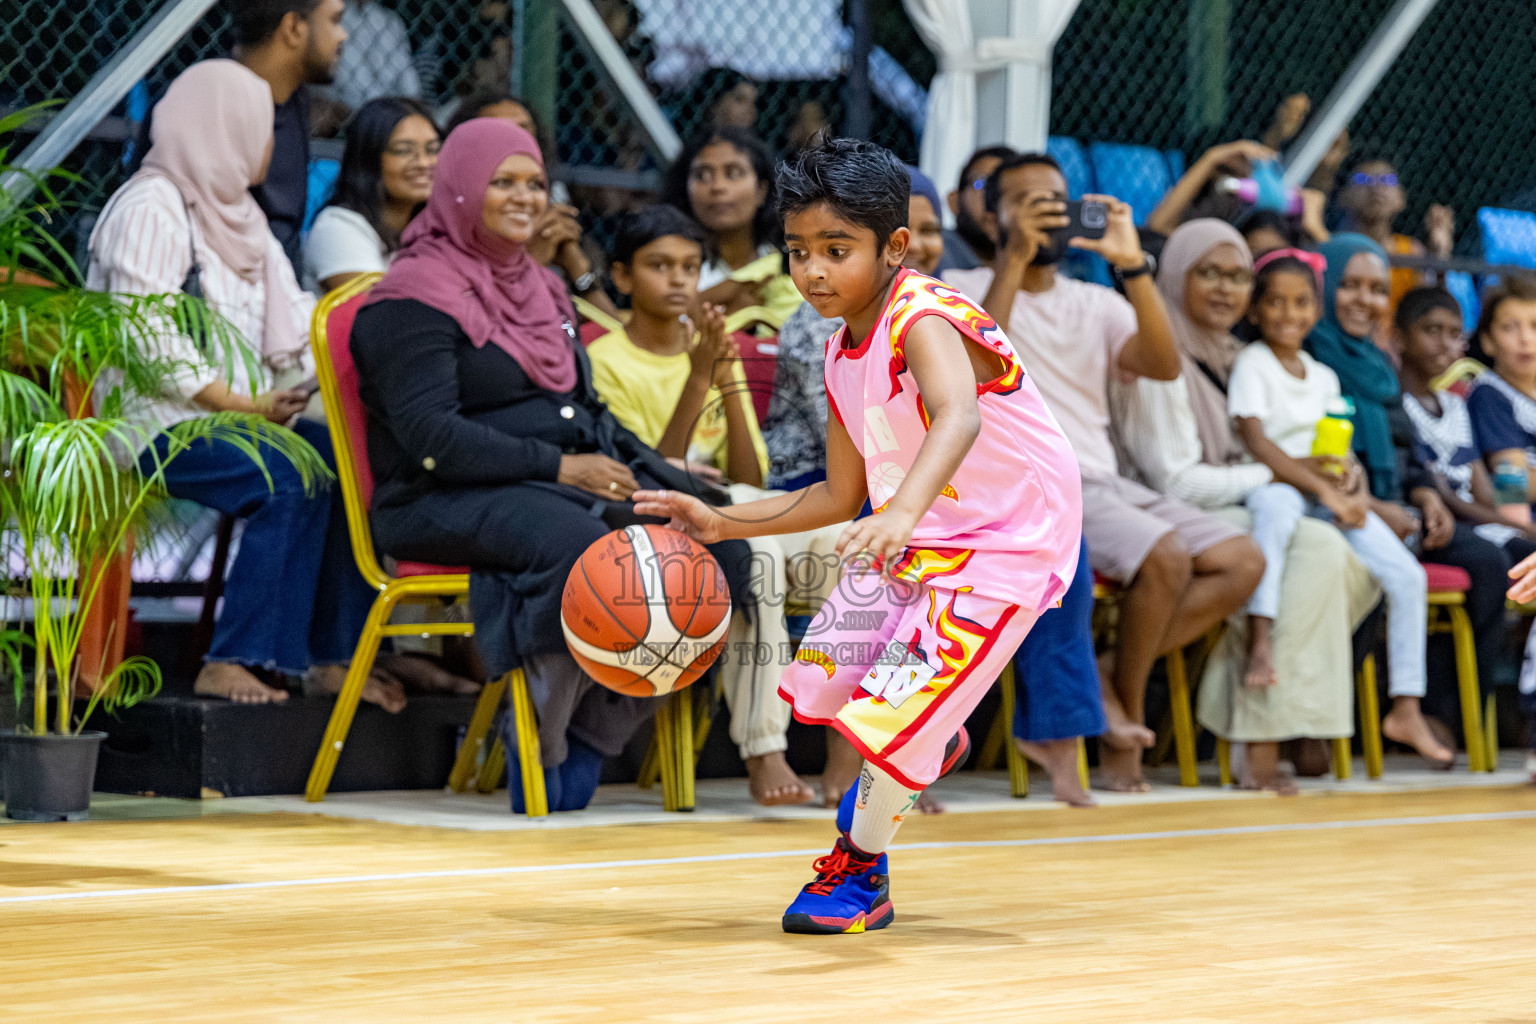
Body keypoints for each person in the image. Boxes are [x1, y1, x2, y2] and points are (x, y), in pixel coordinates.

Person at [633, 136, 1082, 934]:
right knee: (838, 688)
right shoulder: (843, 351)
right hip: (927, 530)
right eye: (799, 251)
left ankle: (859, 870)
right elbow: (841, 494)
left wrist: (900, 513)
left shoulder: (924, 315)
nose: (812, 271)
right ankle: (929, 736)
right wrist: (719, 519)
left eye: (836, 251)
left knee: (893, 718)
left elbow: (959, 414)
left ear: (895, 248)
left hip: (1010, 540)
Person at [349, 118, 738, 812]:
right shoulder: (411, 297)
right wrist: (561, 470)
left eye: (534, 183)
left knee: (715, 540)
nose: (526, 197)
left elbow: (586, 411)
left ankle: (596, 733)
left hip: (548, 485)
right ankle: (542, 736)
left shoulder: (544, 289)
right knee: (592, 554)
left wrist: (664, 477)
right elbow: (431, 437)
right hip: (441, 496)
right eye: (504, 182)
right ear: (462, 189)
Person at [947, 153, 1264, 792]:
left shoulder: (1096, 300)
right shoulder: (957, 286)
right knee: (1168, 556)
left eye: (1055, 199)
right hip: (1025, 485)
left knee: (1243, 561)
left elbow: (1163, 363)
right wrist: (1011, 258)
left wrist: (1131, 265)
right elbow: (977, 368)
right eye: (1025, 199)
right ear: (991, 213)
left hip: (1101, 480)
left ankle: (1105, 681)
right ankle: (1123, 716)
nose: (1047, 211)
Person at [86, 60, 384, 709]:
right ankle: (235, 658)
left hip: (232, 419)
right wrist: (242, 404)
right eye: (260, 126)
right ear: (222, 126)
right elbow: (145, 337)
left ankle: (331, 657)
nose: (271, 143)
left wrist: (368, 334)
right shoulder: (150, 206)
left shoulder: (241, 217)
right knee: (288, 474)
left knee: (349, 463)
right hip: (148, 424)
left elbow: (296, 329)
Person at [1111, 220, 1379, 793]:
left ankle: (1291, 714)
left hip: (1241, 497)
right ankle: (1263, 734)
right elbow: (1177, 483)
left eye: (1237, 277)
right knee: (1314, 553)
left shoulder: (1240, 354)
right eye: (1209, 273)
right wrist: (1294, 476)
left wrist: (1332, 472)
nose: (1226, 289)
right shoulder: (1160, 354)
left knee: (1349, 560)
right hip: (1162, 506)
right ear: (1178, 275)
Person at [589, 205, 842, 806]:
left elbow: (750, 474)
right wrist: (700, 377)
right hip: (658, 515)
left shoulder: (711, 345)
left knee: (849, 548)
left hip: (735, 500)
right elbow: (646, 475)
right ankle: (763, 747)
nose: (679, 280)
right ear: (621, 277)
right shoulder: (606, 360)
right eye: (659, 266)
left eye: (689, 267)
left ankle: (851, 747)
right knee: (755, 557)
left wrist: (725, 377)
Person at [1229, 250, 1451, 768]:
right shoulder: (1252, 364)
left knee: (1406, 575)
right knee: (1275, 515)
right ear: (1256, 311)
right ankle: (1261, 641)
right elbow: (1260, 445)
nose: (1289, 314)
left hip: (1325, 491)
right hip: (1278, 484)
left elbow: (1338, 444)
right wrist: (1328, 493)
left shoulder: (1322, 374)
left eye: (1302, 303)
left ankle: (1405, 705)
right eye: (1276, 303)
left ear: (1315, 311)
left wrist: (1351, 485)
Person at [1398, 285, 1533, 700]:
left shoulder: (1454, 406)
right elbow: (1510, 480)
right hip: (1495, 522)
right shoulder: (1491, 396)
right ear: (1488, 341)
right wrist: (1521, 526)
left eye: (1534, 326)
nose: (1526, 338)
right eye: (1511, 328)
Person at [450, 88, 617, 318]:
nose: (516, 142)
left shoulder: (545, 212)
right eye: (500, 133)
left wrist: (577, 268)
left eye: (524, 131)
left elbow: (612, 338)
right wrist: (532, 261)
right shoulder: (448, 232)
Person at [229, 0, 349, 271]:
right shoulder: (209, 105)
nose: (344, 35)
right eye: (335, 20)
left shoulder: (293, 98)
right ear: (293, 28)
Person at [303, 97, 439, 293]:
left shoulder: (432, 226)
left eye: (432, 149)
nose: (424, 163)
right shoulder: (338, 227)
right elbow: (377, 317)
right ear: (369, 159)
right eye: (403, 151)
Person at [661, 125, 798, 319]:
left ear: (761, 190)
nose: (717, 186)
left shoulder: (789, 266)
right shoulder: (668, 270)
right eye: (703, 175)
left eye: (733, 174)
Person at [1333, 157, 1456, 326]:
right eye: (1362, 179)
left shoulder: (1409, 250)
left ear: (1401, 198)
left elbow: (1428, 313)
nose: (1376, 188)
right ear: (1344, 196)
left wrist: (1439, 255)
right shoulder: (1334, 249)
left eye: (1387, 180)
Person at [325, 0, 421, 113]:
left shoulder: (388, 19)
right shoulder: (332, 22)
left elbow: (410, 86)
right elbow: (357, 95)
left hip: (396, 111)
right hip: (361, 114)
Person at [935, 145, 1015, 276]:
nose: (994, 197)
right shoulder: (934, 251)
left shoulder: (1039, 263)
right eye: (982, 184)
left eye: (1007, 187)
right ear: (954, 202)